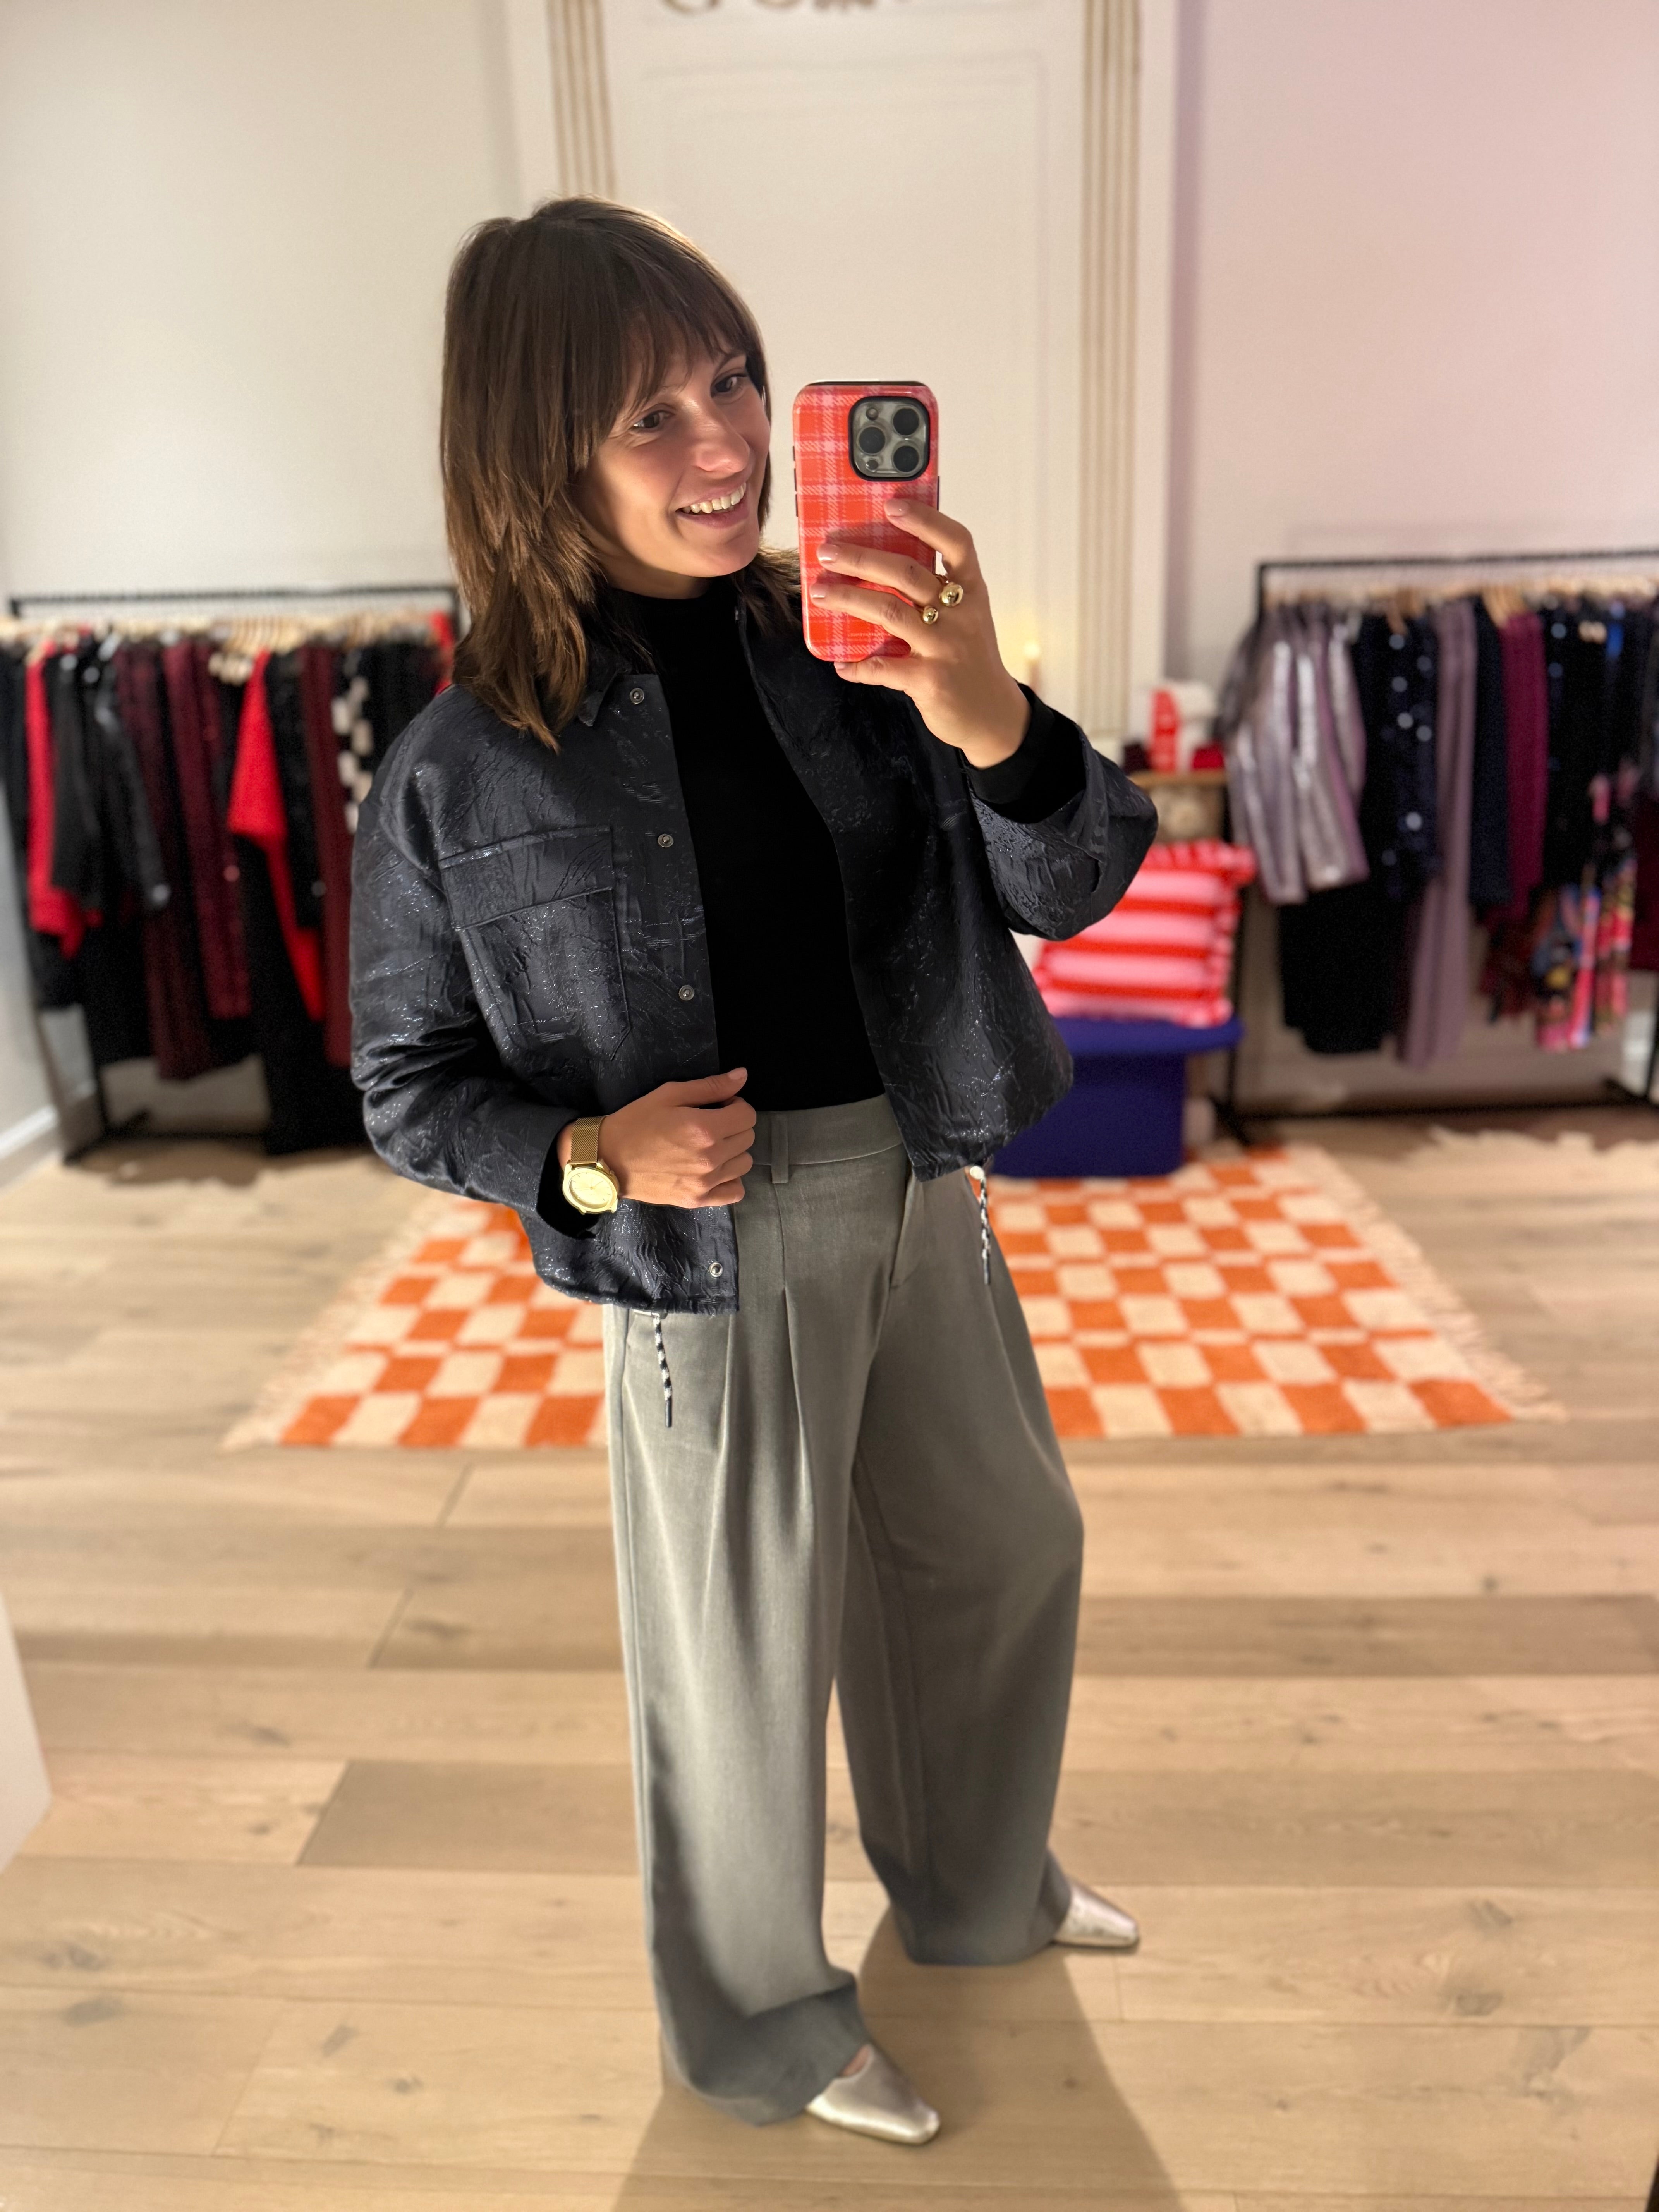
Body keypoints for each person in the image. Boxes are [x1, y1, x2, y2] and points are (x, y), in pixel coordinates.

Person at [350, 197, 1158, 2146]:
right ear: (536, 452)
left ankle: (976, 1890)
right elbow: (404, 1085)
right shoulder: (466, 762)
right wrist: (588, 1162)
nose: (725, 444)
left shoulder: (855, 644)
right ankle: (760, 2027)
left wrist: (987, 710)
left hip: (922, 1182)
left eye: (733, 381)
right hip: (705, 1243)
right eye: (653, 414)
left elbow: (1077, 881)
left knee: (1002, 1549)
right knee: (738, 1663)